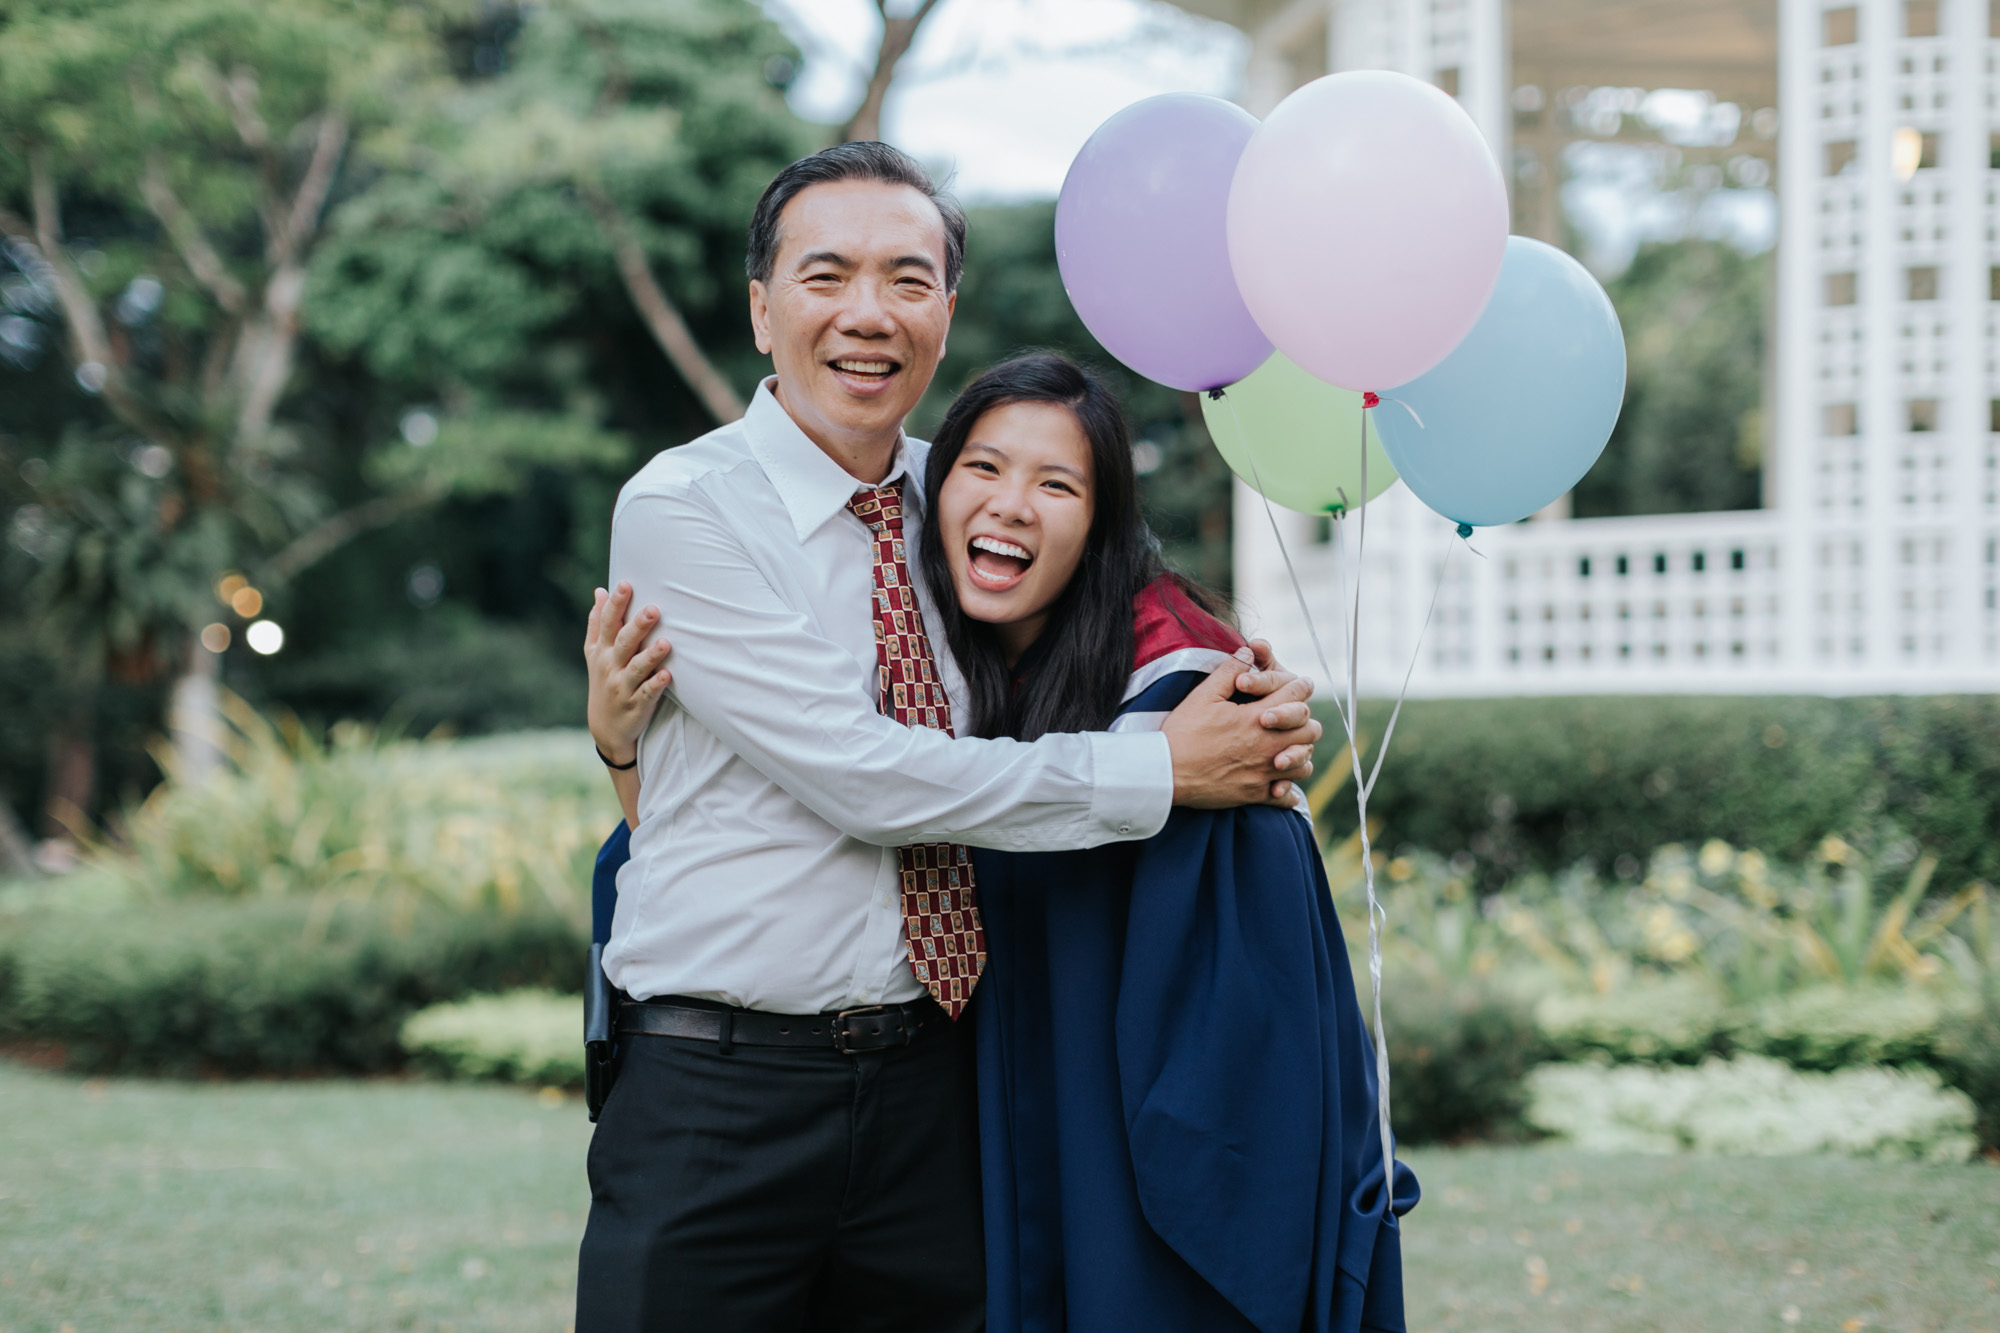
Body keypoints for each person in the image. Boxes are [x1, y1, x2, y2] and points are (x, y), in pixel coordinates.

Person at [576, 140, 1323, 1333]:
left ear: (945, 311)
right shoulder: (682, 507)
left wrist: (1226, 679)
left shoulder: (969, 494)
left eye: (907, 280)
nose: (868, 314)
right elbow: (859, 775)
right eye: (826, 277)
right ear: (762, 310)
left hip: (940, 1091)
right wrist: (1161, 770)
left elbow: (1114, 604)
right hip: (721, 1094)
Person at [917, 353, 1418, 1333]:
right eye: (982, 467)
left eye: (1055, 483)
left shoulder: (1196, 703)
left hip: (1140, 1199)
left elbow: (1250, 1048)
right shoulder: (941, 658)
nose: (1011, 504)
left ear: (1101, 527)